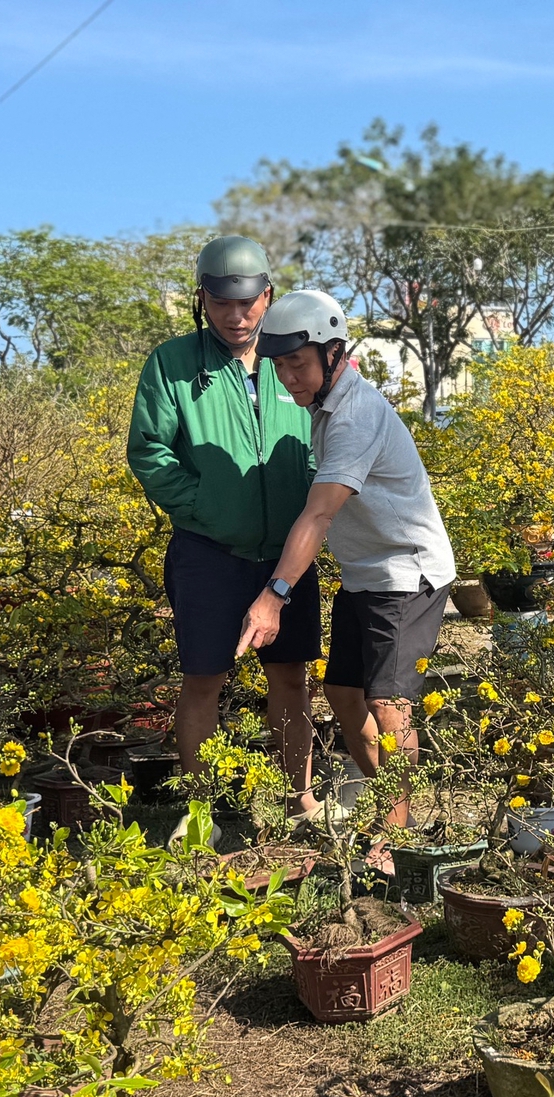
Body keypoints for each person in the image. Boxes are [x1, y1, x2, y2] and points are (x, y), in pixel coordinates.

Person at [235, 290, 456, 827]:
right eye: (279, 365)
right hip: (366, 574)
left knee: (388, 704)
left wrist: (274, 596)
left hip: (407, 574)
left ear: (334, 353)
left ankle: (393, 837)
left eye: (298, 364)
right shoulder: (323, 408)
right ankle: (385, 804)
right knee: (340, 690)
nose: (288, 377)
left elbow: (318, 515)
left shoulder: (355, 416)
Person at [126, 235, 321, 813]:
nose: (236, 317)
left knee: (291, 677)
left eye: (248, 303)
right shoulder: (173, 363)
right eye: (221, 304)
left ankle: (300, 799)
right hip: (207, 551)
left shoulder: (296, 358)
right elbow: (150, 453)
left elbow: (331, 438)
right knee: (203, 679)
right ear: (202, 300)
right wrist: (207, 506)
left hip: (288, 555)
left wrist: (311, 504)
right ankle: (201, 812)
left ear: (268, 295)